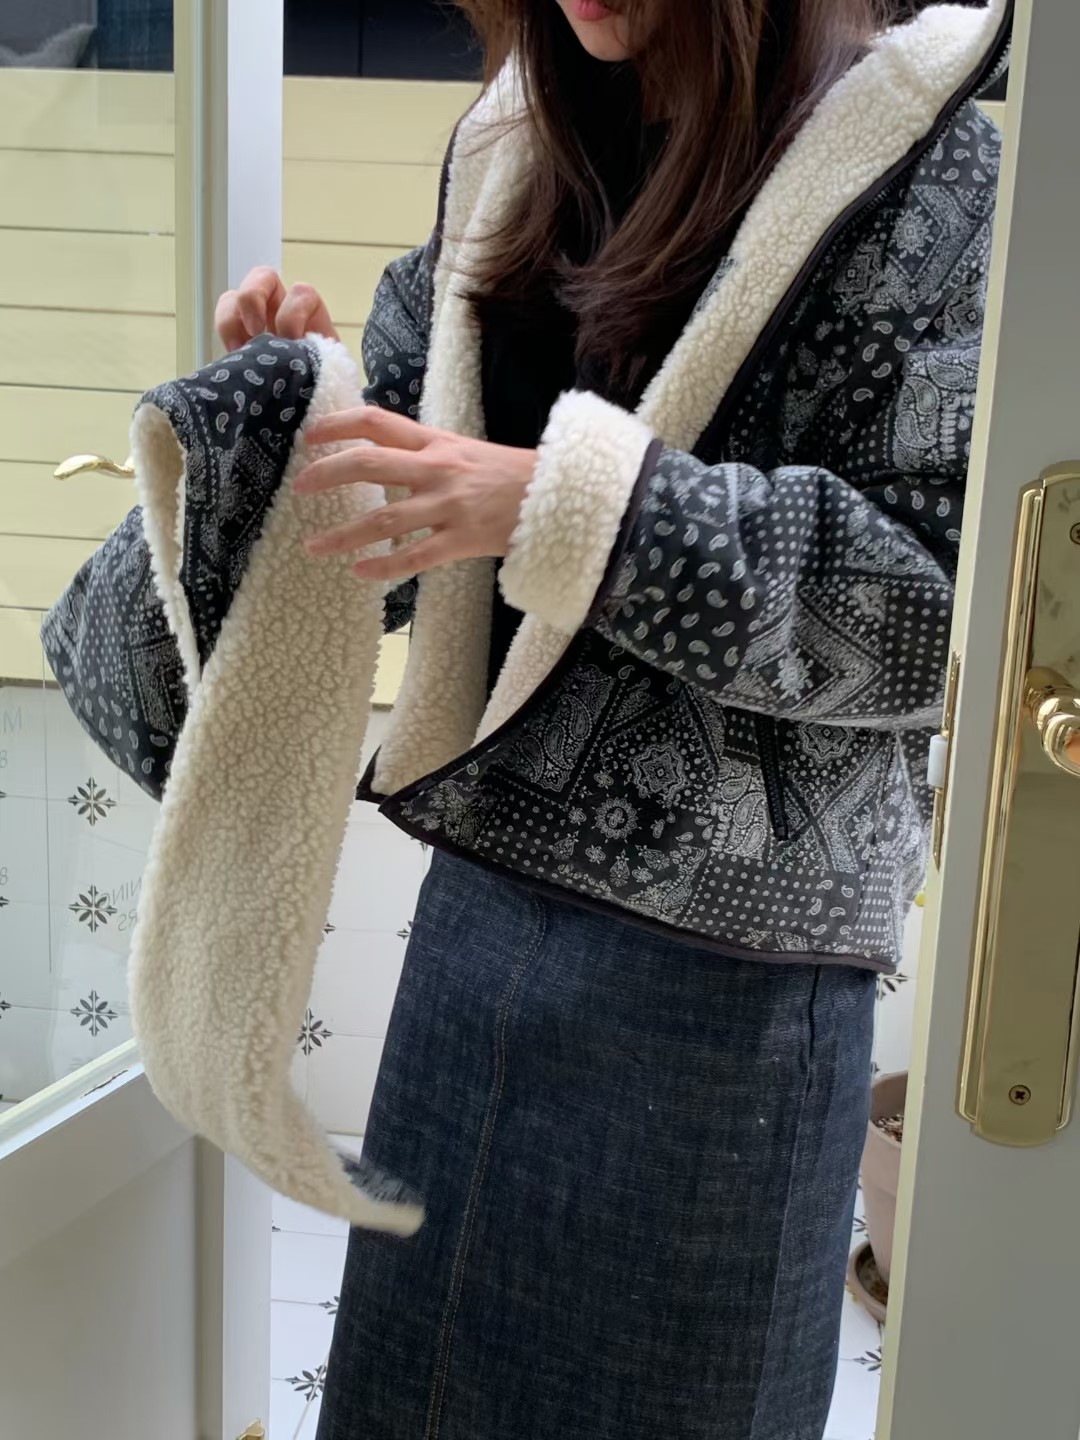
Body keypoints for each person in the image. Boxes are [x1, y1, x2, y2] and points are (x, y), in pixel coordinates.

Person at [217, 0, 1009, 1434]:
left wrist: (571, 512)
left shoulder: (928, 171)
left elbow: (933, 609)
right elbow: (415, 488)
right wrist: (317, 411)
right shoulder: (520, 152)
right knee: (418, 1395)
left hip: (732, 987)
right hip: (475, 922)